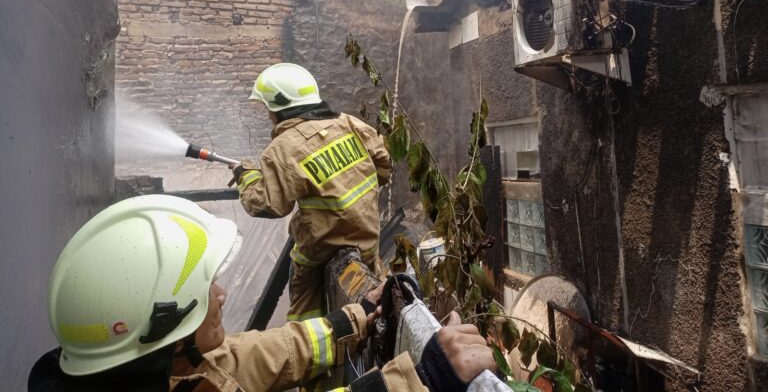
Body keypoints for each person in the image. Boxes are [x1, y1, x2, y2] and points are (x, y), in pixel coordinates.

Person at [28, 195, 496, 392]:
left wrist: (351, 318)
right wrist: (422, 378)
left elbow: (252, 355)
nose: (222, 293)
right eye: (203, 285)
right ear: (163, 322)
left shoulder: (165, 370)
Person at [233, 62, 392, 321]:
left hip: (318, 255)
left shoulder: (282, 148)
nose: (267, 115)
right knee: (377, 300)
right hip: (367, 244)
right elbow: (383, 165)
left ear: (278, 105)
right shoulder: (349, 123)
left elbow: (267, 205)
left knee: (304, 319)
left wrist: (246, 176)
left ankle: (310, 355)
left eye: (267, 108)